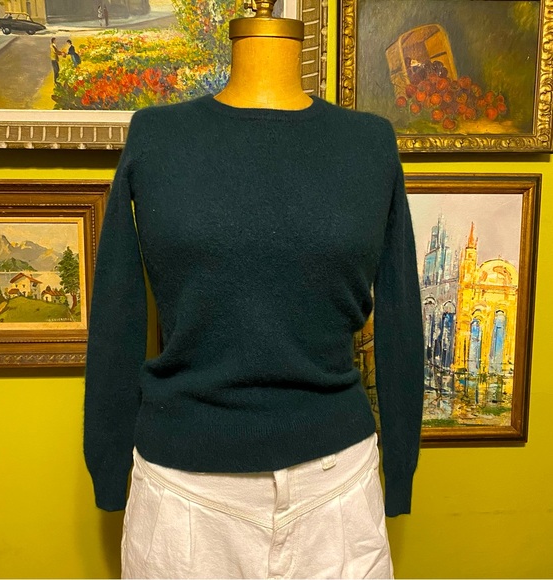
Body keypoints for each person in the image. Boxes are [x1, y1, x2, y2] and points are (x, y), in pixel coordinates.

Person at [84, 1, 424, 579]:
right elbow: (118, 313)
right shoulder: (157, 137)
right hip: (183, 497)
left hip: (338, 495)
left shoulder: (369, 143)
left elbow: (399, 313)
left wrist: (402, 468)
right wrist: (109, 470)